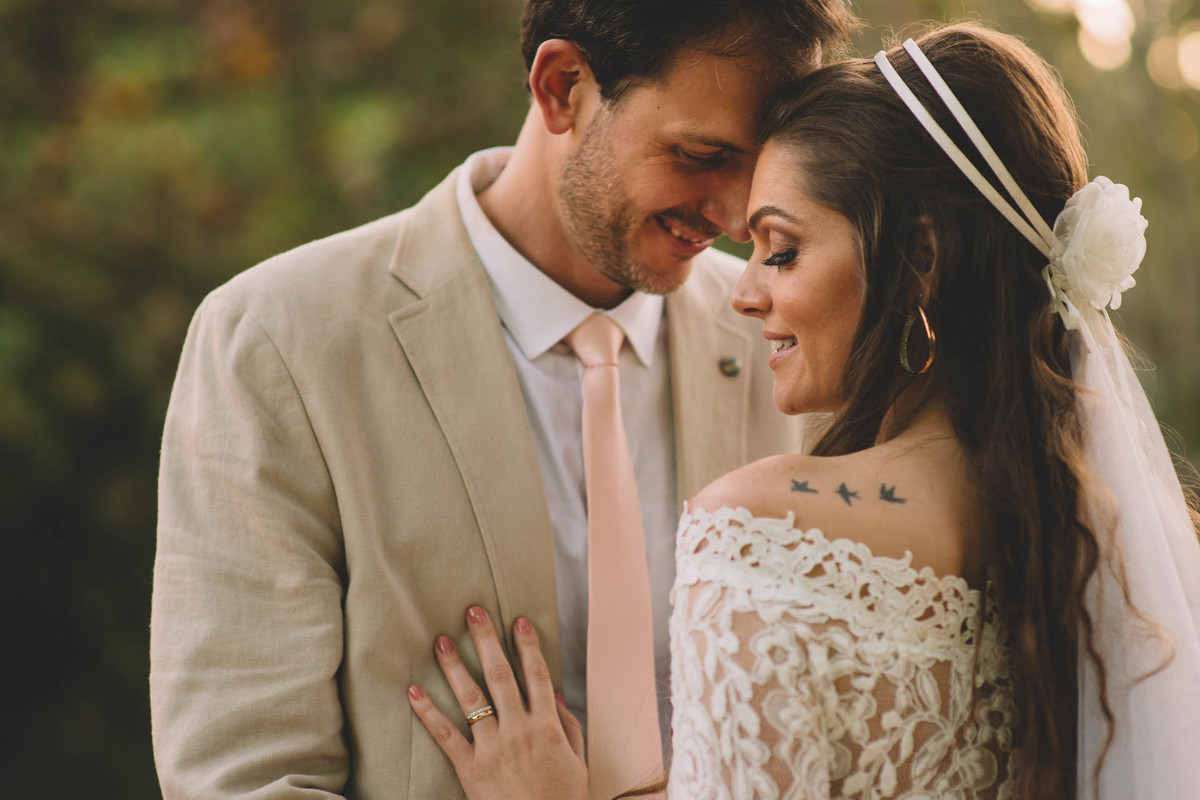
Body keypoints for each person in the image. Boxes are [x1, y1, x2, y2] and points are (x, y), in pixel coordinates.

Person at [407, 22, 1200, 800]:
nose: (743, 293)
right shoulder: (1105, 545)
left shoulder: (760, 539)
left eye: (779, 249)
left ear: (919, 259)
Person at [150, 1, 862, 798]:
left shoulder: (802, 349)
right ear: (563, 87)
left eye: (757, 165)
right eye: (699, 153)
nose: (734, 216)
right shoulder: (279, 342)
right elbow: (245, 780)